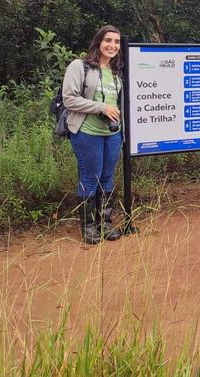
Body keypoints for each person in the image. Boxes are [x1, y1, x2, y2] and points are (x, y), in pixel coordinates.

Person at [62, 25, 124, 244]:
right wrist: (101, 107)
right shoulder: (80, 66)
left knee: (108, 177)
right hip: (87, 132)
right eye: (108, 40)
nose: (112, 45)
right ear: (98, 41)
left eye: (117, 42)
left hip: (112, 133)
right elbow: (69, 98)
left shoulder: (117, 71)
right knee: (91, 177)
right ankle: (88, 227)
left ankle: (105, 223)